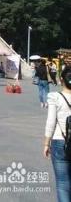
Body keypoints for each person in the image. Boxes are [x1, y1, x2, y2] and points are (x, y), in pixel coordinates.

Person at [43, 66, 71, 201]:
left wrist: (46, 143)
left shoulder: (55, 97)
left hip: (60, 141)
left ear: (61, 80)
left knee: (62, 183)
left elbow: (51, 121)